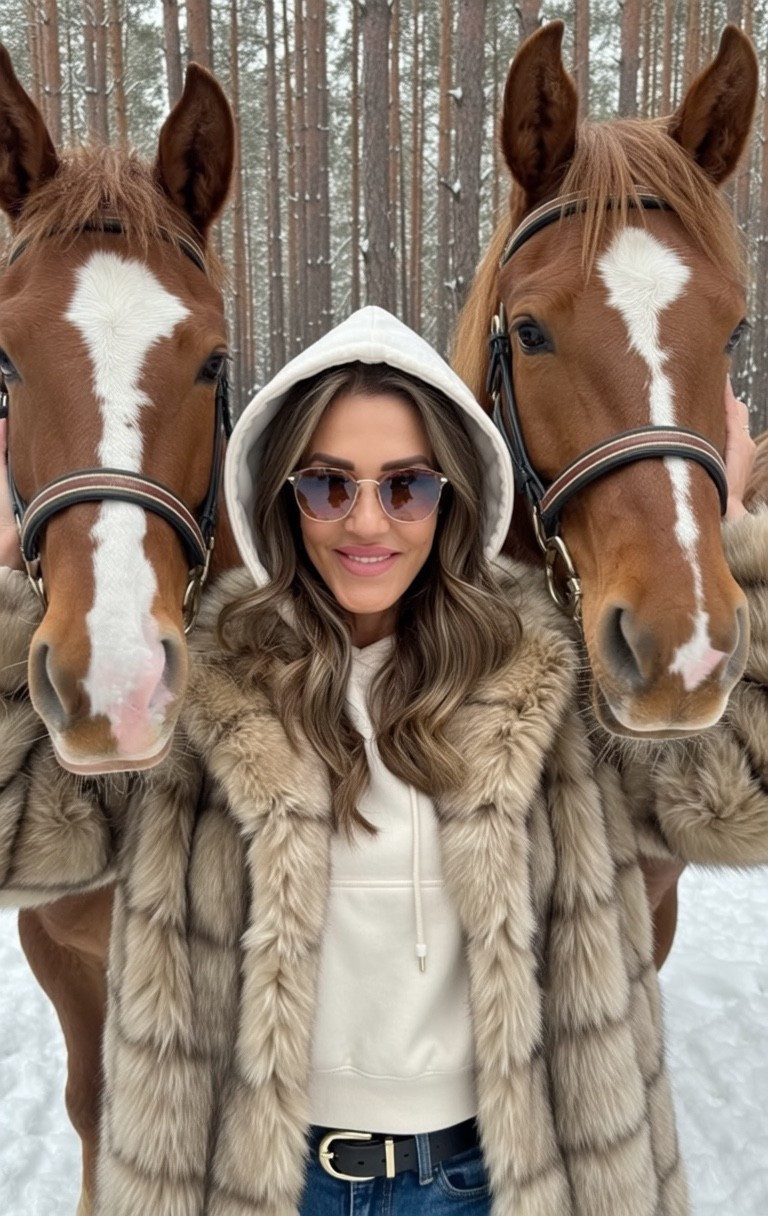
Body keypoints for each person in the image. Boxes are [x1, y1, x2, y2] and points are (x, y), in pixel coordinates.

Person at [0, 305, 767, 1216]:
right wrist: (12, 592)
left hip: (507, 1178)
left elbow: (740, 802)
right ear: (280, 493)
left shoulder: (550, 675)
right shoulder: (202, 685)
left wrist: (721, 541)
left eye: (407, 486)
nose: (367, 522)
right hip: (262, 1182)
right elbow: (17, 838)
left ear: (455, 494)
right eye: (328, 486)